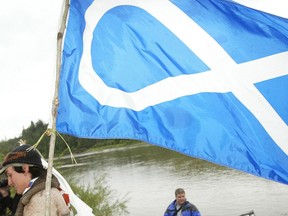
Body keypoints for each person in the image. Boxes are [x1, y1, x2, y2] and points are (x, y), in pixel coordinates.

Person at [0, 144, 71, 216]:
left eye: (10, 175)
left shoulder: (40, 200)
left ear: (25, 169)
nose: (9, 183)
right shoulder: (46, 192)